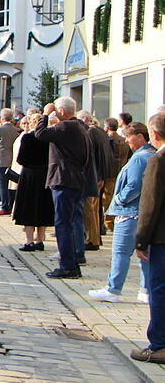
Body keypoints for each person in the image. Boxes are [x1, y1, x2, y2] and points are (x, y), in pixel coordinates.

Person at [88, 122, 155, 303]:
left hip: (129, 211)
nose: (126, 141)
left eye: (128, 137)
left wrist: (118, 200)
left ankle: (113, 289)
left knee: (121, 252)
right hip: (142, 212)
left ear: (140, 137)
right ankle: (146, 290)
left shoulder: (140, 158)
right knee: (144, 254)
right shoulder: (152, 154)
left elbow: (134, 185)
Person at [36, 97, 91, 279]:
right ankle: (72, 262)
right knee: (69, 223)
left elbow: (40, 134)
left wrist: (45, 114)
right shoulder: (79, 127)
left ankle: (67, 266)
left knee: (62, 225)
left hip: (64, 180)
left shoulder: (66, 127)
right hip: (75, 180)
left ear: (62, 111)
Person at [131, 113, 165, 363]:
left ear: (153, 134)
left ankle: (159, 344)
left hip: (161, 237)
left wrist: (141, 240)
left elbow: (150, 204)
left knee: (159, 290)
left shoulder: (158, 160)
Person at [13, 113, 54, 252]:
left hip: (29, 176)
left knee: (28, 208)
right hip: (45, 175)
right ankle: (40, 240)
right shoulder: (48, 139)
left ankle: (29, 241)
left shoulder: (27, 138)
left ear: (31, 122)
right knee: (42, 207)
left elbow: (21, 159)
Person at [78, 111, 111, 250]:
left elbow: (89, 154)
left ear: (84, 119)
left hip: (93, 175)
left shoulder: (90, 132)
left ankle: (91, 239)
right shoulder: (101, 131)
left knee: (89, 208)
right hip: (101, 174)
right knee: (94, 208)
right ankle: (95, 237)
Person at [0, 108, 21, 216]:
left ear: (2, 118)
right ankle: (10, 205)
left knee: (2, 184)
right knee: (10, 184)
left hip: (1, 159)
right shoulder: (16, 129)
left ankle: (5, 206)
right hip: (12, 159)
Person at [104, 117, 131, 232]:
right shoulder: (124, 140)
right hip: (122, 172)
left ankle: (108, 222)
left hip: (110, 173)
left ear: (107, 127)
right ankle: (112, 220)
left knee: (108, 197)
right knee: (117, 196)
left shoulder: (108, 140)